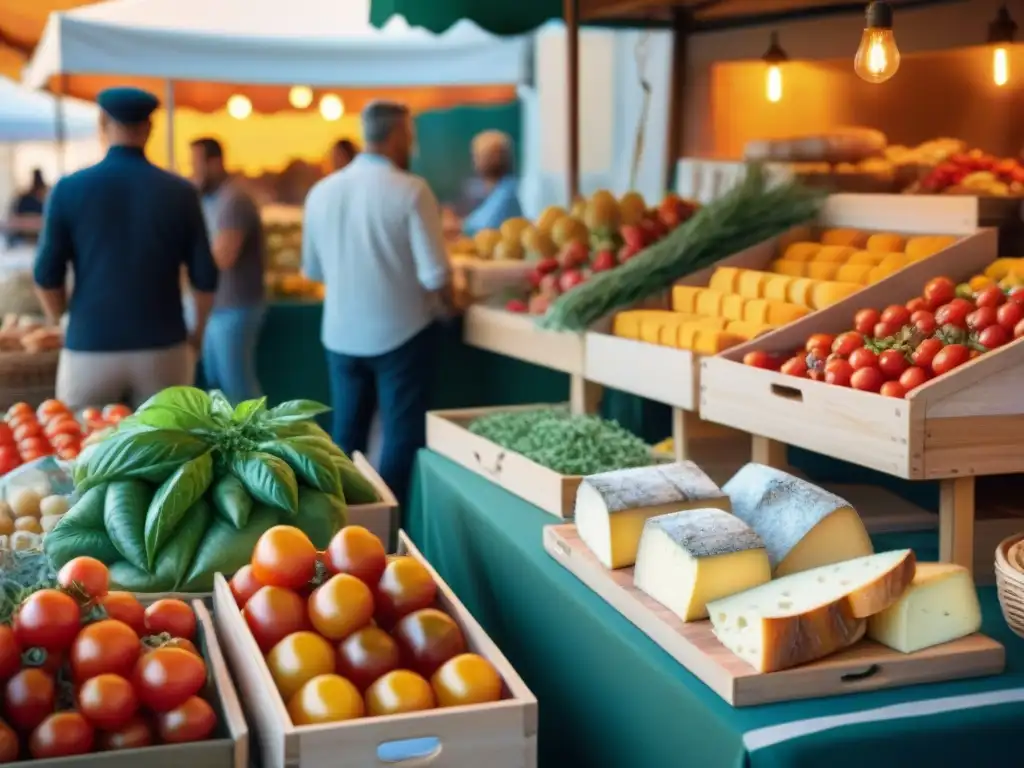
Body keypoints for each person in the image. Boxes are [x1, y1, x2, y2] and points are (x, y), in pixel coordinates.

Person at [302, 100, 453, 505]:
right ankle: (393, 529)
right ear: (398, 134)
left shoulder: (321, 192)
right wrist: (451, 305)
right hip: (402, 332)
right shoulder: (412, 189)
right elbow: (436, 276)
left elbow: (312, 272)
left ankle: (340, 524)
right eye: (410, 135)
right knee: (400, 439)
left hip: (340, 334)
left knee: (346, 438)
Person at [33, 86, 218, 409]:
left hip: (89, 348)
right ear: (149, 128)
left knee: (82, 451)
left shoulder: (68, 189)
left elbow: (46, 275)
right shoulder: (181, 192)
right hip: (163, 347)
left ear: (102, 122)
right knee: (168, 453)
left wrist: (61, 320)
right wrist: (197, 335)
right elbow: (205, 277)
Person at [190, 137, 266, 404]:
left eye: (197, 164)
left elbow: (224, 257)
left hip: (235, 308)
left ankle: (259, 444)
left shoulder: (234, 199)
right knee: (218, 387)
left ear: (215, 162)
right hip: (218, 309)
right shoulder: (211, 199)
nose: (193, 171)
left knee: (238, 389)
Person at [460, 130, 523, 236]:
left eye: (477, 156)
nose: (474, 161)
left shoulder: (507, 192)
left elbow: (488, 228)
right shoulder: (500, 190)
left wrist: (462, 227)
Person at [5, 169, 47, 247]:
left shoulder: (44, 199)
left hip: (37, 237)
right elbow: (14, 218)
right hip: (23, 239)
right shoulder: (24, 199)